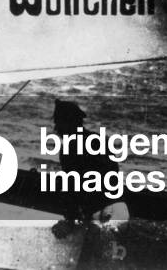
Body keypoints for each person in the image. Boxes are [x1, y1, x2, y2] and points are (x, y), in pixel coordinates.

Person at [49, 100, 127, 239]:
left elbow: (73, 187)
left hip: (98, 213)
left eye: (58, 122)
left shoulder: (69, 148)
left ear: (69, 123)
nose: (56, 128)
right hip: (118, 208)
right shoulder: (97, 139)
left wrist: (70, 221)